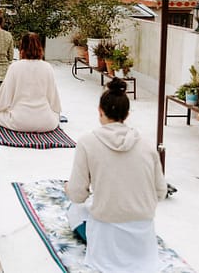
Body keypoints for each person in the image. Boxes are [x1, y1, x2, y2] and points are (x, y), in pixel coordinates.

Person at [66, 77, 167, 273]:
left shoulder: (87, 142)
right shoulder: (147, 145)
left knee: (74, 209)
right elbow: (160, 193)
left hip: (106, 240)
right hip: (142, 239)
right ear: (127, 114)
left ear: (99, 111)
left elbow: (78, 195)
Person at [0, 32, 61, 132]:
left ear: (22, 48)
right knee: (55, 114)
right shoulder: (47, 67)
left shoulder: (15, 67)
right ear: (40, 48)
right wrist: (55, 112)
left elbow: (3, 99)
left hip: (19, 122)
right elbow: (54, 100)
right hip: (46, 123)